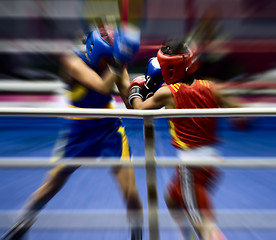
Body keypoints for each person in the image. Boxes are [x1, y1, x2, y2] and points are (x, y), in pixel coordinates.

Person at [1, 25, 143, 240]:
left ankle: (138, 234)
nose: (108, 64)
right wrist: (118, 63)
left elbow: (130, 104)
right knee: (52, 183)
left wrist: (137, 89)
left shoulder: (115, 62)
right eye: (106, 59)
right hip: (79, 130)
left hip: (108, 129)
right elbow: (102, 87)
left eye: (111, 59)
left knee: (130, 190)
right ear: (96, 51)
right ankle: (21, 225)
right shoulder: (73, 61)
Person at [128, 39, 240, 240]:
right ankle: (187, 236)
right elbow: (243, 117)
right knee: (172, 198)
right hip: (211, 163)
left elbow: (138, 110)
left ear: (170, 68)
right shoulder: (212, 87)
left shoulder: (167, 93)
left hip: (190, 167)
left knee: (204, 225)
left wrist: (136, 89)